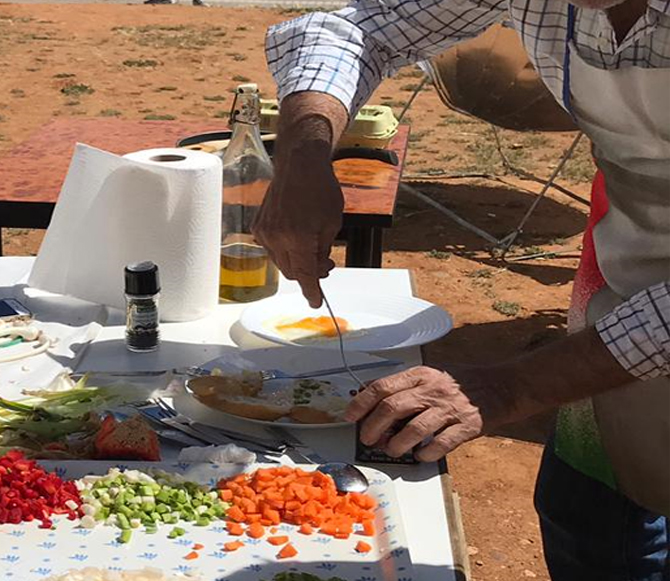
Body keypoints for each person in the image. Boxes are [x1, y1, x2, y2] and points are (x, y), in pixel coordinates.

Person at [256, 0, 669, 577]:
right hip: (624, 277)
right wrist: (303, 154)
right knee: (591, 511)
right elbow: (353, 29)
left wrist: (514, 386)